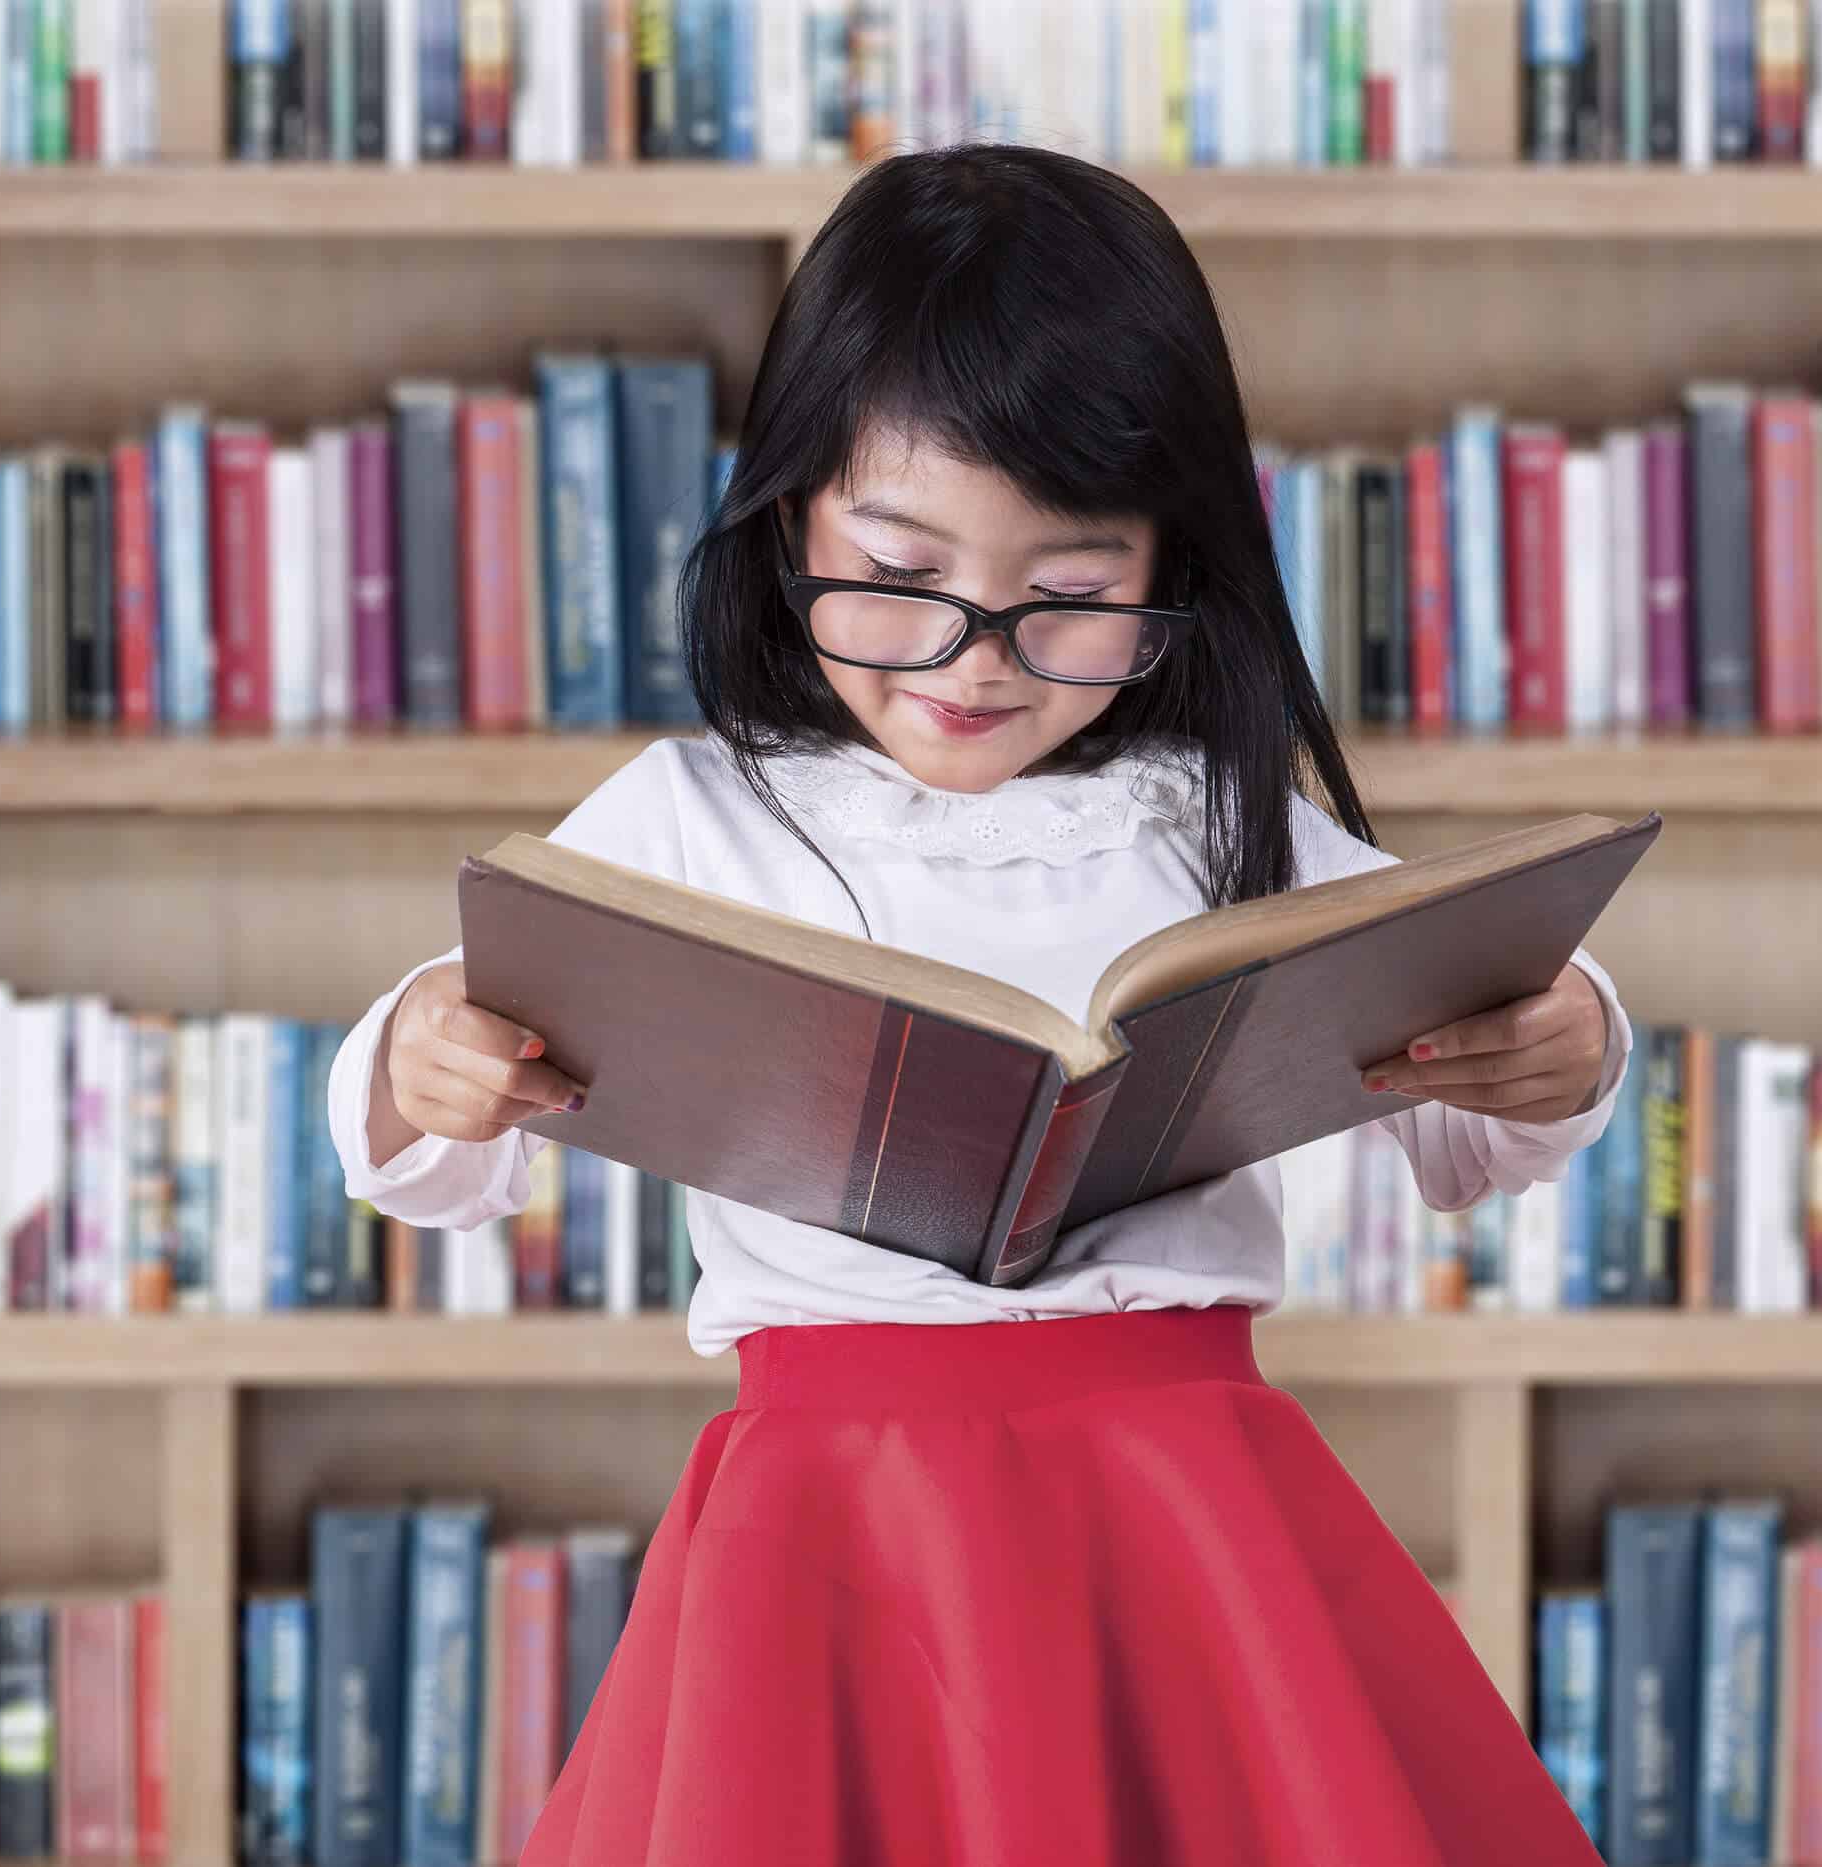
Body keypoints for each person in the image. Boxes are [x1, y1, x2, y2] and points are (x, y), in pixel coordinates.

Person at [328, 144, 1629, 1866]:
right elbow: (421, 1145)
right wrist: (427, 1049)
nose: (976, 657)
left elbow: (1469, 1103)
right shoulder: (688, 816)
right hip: (831, 1519)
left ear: (1178, 564)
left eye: (1071, 597)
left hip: (1177, 1503)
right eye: (900, 570)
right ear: (791, 509)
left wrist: (1569, 1040)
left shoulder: (1217, 819)